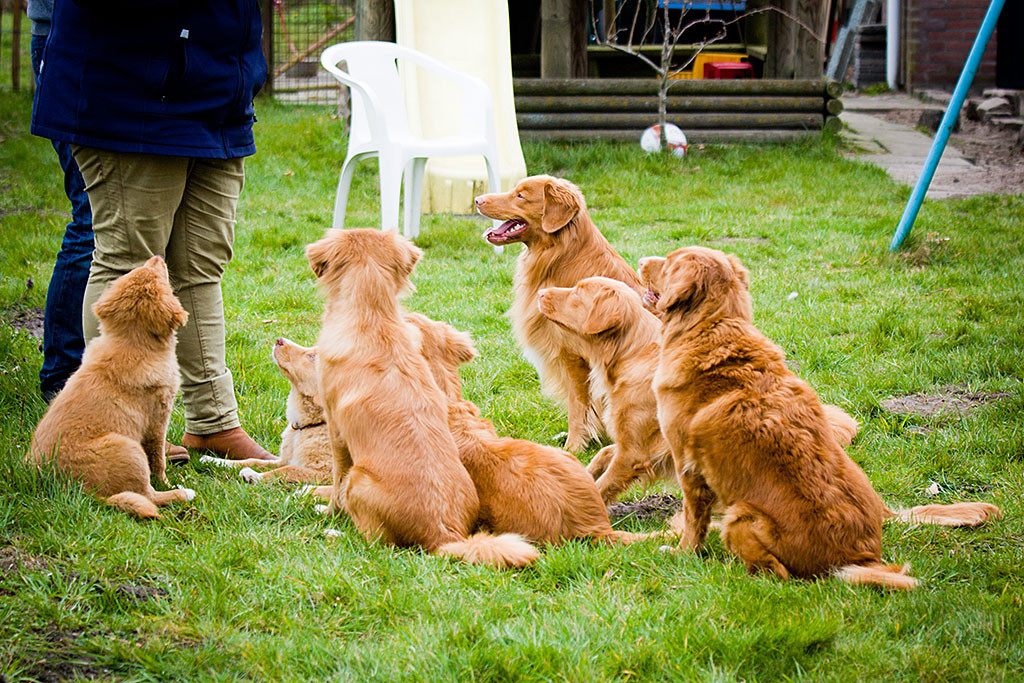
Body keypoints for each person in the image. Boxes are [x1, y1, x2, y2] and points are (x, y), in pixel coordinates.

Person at [32, 0, 274, 461]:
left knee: (200, 267)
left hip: (219, 91)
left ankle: (213, 422)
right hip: (130, 92)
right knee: (129, 264)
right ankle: (110, 426)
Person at [26, 0, 94, 404]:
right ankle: (64, 373)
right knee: (92, 217)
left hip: (97, 46)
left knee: (97, 216)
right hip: (68, 40)